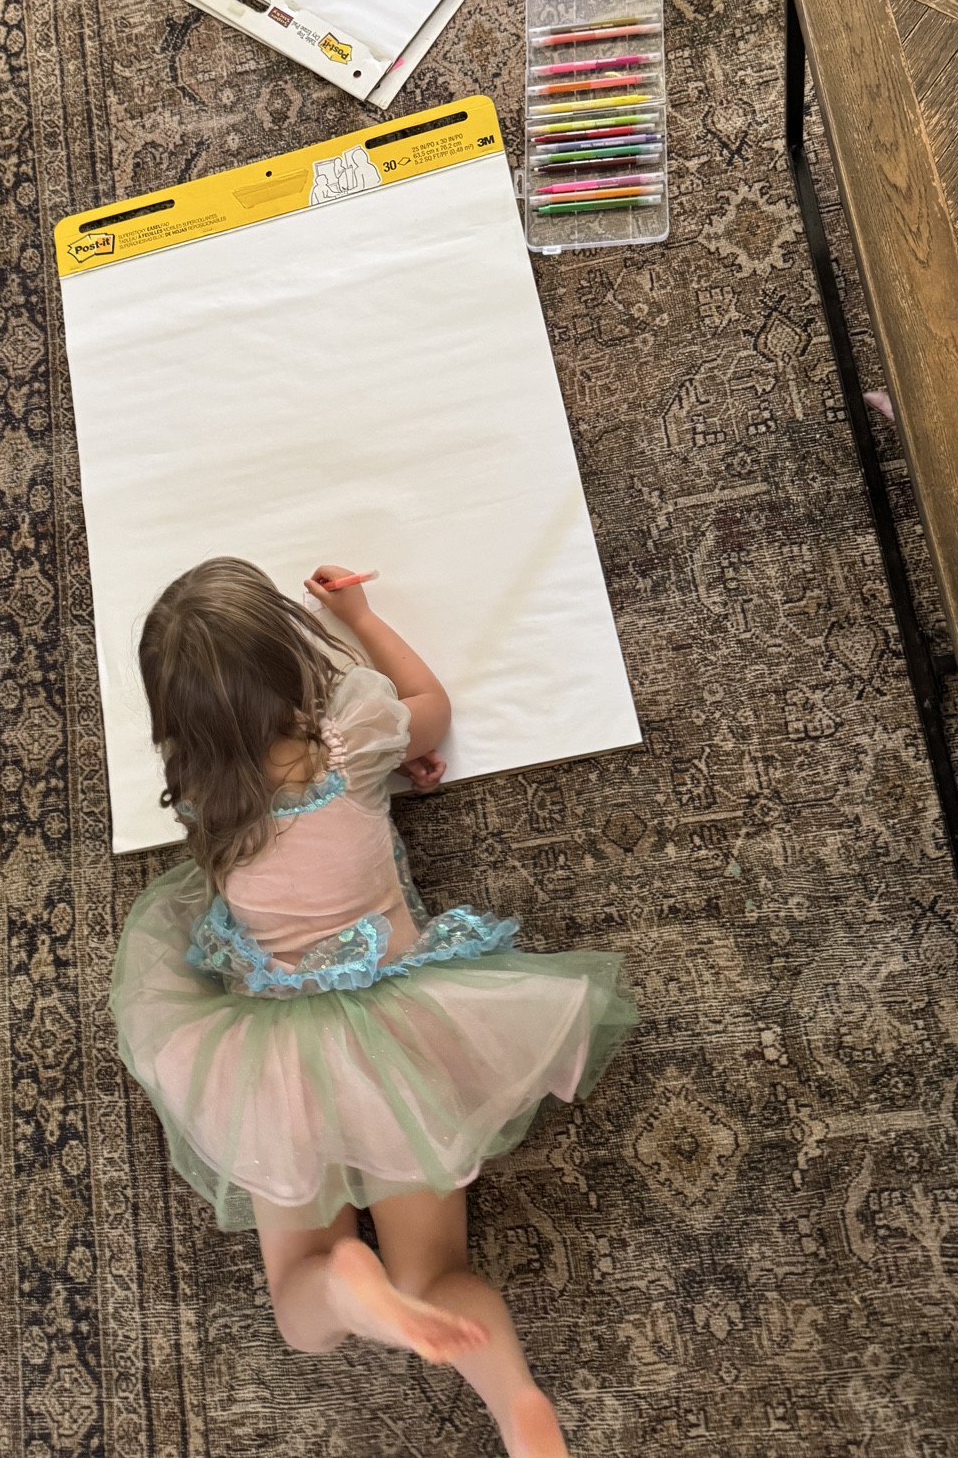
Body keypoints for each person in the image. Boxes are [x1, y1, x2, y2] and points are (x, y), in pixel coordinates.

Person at [111, 556, 637, 1458]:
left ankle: (346, 1282)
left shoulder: (205, 794)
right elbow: (428, 701)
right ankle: (513, 1400)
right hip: (403, 1031)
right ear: (292, 663)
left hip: (271, 1060)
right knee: (438, 1270)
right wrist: (358, 614)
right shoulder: (356, 739)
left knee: (299, 1309)